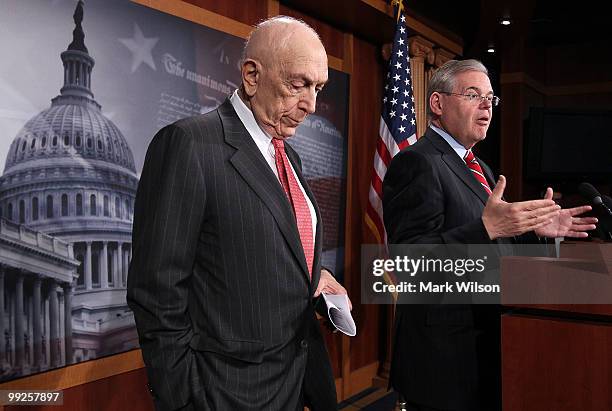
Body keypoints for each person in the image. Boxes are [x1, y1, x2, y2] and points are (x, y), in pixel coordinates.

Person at [127, 16, 349, 411]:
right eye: (298, 84)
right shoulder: (189, 144)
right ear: (251, 76)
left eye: (318, 89)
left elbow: (262, 246)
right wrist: (183, 397)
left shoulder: (289, 155)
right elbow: (156, 290)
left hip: (296, 381)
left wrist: (314, 276)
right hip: (225, 394)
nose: (311, 105)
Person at [382, 59, 597, 411]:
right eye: (472, 95)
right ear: (437, 104)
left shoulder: (479, 166)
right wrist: (487, 228)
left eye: (490, 98)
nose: (486, 106)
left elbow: (496, 247)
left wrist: (533, 231)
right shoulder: (417, 162)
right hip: (444, 359)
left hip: (488, 342)